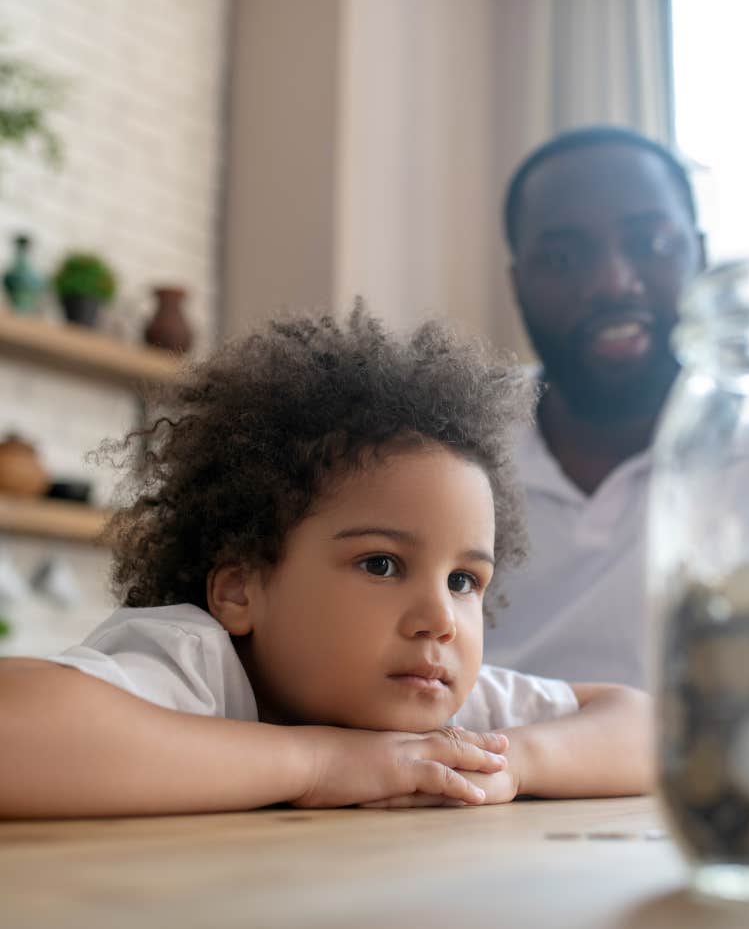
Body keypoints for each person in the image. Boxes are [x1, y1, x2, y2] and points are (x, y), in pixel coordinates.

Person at [0, 303, 650, 817]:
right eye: (382, 565)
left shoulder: (448, 712)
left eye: (462, 580)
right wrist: (317, 763)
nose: (438, 619)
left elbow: (649, 728)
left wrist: (519, 763)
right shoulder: (195, 665)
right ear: (241, 591)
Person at [483, 125, 705, 688]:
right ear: (517, 285)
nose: (612, 283)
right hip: (477, 770)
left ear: (699, 255)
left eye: (652, 244)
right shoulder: (448, 442)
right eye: (561, 258)